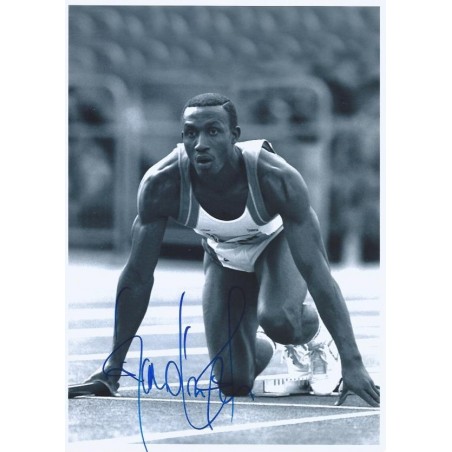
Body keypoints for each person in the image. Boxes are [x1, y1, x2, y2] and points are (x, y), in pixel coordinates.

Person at [69, 93, 380, 407]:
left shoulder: (276, 177)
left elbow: (317, 273)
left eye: (213, 131)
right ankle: (261, 341)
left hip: (275, 244)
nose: (200, 144)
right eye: (191, 133)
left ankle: (312, 338)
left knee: (278, 317)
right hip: (223, 258)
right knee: (233, 382)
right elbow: (137, 277)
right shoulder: (162, 183)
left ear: (234, 136)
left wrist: (352, 362)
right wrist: (111, 369)